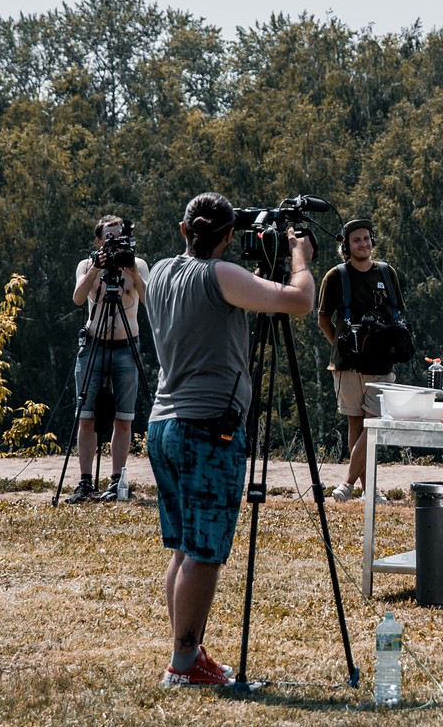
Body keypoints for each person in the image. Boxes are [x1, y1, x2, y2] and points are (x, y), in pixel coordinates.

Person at [147, 192, 314, 685]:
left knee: (183, 548)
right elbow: (300, 301)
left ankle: (188, 654)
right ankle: (183, 665)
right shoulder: (220, 275)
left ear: (183, 230)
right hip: (207, 427)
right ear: (228, 237)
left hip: (163, 422)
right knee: (205, 551)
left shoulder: (161, 272)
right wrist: (299, 260)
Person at [316, 218, 407, 503]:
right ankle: (370, 491)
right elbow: (323, 319)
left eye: (367, 238)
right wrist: (342, 346)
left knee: (373, 425)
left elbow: (399, 312)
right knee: (356, 425)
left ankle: (347, 484)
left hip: (382, 363)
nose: (363, 244)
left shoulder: (387, 272)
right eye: (356, 240)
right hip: (348, 365)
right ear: (346, 246)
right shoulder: (335, 276)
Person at [66, 214, 150, 503]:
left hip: (127, 346)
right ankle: (85, 482)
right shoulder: (86, 265)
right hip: (93, 345)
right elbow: (78, 298)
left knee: (123, 417)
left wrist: (133, 273)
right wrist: (95, 269)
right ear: (99, 241)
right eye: (109, 238)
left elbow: (149, 300)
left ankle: (117, 481)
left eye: (120, 236)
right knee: (86, 416)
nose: (115, 243)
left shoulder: (137, 264)